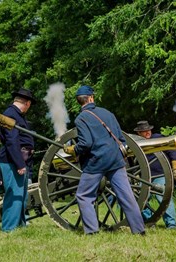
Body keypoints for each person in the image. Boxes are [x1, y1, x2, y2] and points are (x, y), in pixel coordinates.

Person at [63, 85, 145, 235]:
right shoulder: (107, 113)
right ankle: (139, 230)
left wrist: (73, 150)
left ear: (79, 101)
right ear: (91, 98)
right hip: (116, 160)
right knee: (126, 195)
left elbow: (86, 143)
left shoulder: (81, 118)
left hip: (96, 163)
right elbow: (121, 138)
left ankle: (92, 231)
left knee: (84, 195)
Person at [0, 88, 35, 232]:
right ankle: (8, 228)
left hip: (19, 160)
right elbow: (11, 141)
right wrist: (19, 164)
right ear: (27, 103)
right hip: (12, 161)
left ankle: (20, 225)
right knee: (14, 195)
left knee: (22, 196)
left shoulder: (16, 115)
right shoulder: (10, 114)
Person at [134, 120, 176, 229]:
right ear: (139, 133)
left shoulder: (158, 138)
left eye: (148, 130)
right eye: (144, 131)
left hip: (160, 175)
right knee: (139, 199)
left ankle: (171, 224)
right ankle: (149, 221)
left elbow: (172, 149)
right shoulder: (136, 143)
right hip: (145, 178)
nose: (147, 132)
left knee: (164, 198)